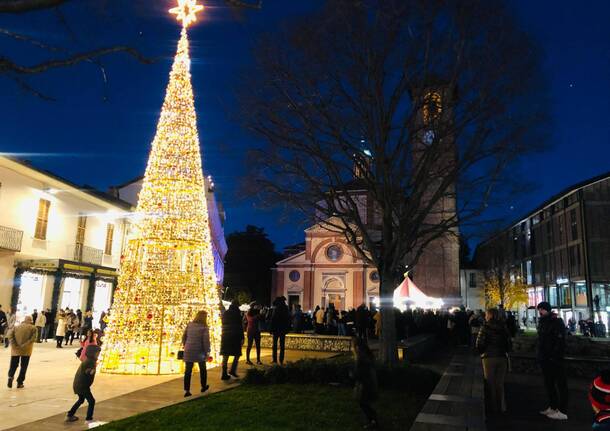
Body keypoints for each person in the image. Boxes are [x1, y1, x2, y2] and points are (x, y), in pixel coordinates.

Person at [536, 301, 568, 420]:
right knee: (549, 384)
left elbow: (560, 341)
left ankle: (563, 411)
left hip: (554, 359)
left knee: (560, 384)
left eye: (542, 309)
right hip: (545, 358)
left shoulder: (556, 322)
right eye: (539, 309)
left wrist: (554, 355)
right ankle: (553, 406)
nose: (540, 311)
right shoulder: (543, 322)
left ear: (547, 310)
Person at [476, 308, 511, 415]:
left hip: (488, 358)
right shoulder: (504, 327)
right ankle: (502, 407)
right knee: (499, 383)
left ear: (489, 315)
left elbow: (479, 344)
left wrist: (482, 352)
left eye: (486, 314)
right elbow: (509, 344)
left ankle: (492, 408)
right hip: (502, 357)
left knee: (490, 383)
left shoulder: (485, 328)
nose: (485, 316)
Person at [66, 344, 101, 423]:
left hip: (79, 384)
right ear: (92, 353)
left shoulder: (89, 360)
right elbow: (88, 371)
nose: (98, 354)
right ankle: (89, 419)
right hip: (82, 385)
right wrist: (92, 371)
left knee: (81, 400)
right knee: (91, 401)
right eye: (97, 353)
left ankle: (70, 414)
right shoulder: (90, 361)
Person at [182, 310, 210, 397]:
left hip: (188, 350)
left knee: (188, 371)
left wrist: (185, 345)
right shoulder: (204, 327)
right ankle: (203, 386)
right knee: (203, 369)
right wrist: (207, 352)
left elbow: (184, 336)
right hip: (199, 351)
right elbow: (206, 341)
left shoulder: (189, 325)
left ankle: (187, 390)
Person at [353, 337, 378, 429]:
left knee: (363, 403)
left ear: (357, 347)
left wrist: (353, 375)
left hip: (365, 385)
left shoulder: (361, 358)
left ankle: (373, 420)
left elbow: (360, 373)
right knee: (364, 403)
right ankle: (372, 419)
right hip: (369, 383)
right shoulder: (366, 355)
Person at [7, 315, 37, 388]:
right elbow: (33, 339)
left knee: (13, 365)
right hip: (26, 351)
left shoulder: (16, 327)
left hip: (15, 350)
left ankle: (10, 377)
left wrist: (14, 345)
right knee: (24, 366)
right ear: (31, 321)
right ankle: (20, 382)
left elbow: (9, 336)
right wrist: (25, 345)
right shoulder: (33, 328)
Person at [220, 300, 244, 380]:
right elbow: (240, 326)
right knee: (237, 354)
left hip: (225, 335)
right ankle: (232, 370)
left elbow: (222, 323)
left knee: (225, 355)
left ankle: (224, 373)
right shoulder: (237, 314)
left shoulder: (226, 313)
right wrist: (242, 337)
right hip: (235, 336)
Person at [270, 296, 291, 365]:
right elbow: (288, 319)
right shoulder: (286, 308)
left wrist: (271, 329)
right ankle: (281, 360)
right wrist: (287, 328)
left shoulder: (276, 309)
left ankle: (275, 360)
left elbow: (273, 319)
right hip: (282, 329)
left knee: (275, 346)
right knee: (282, 346)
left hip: (276, 329)